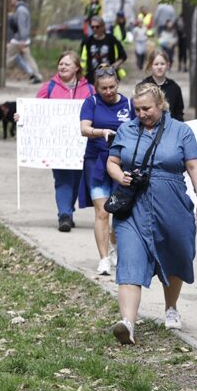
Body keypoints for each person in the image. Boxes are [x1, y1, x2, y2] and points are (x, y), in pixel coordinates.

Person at [106, 82, 197, 343]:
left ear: (161, 105)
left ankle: (171, 307)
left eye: (147, 109)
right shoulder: (126, 130)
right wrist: (120, 176)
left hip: (172, 204)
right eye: (137, 109)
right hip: (133, 206)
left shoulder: (181, 131)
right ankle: (127, 323)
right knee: (130, 259)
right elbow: (112, 161)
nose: (141, 114)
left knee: (176, 254)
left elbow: (194, 166)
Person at [79, 66, 134, 275]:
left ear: (117, 84)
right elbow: (84, 129)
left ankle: (114, 247)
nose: (108, 91)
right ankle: (103, 258)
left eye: (112, 87)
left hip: (122, 164)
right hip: (96, 162)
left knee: (118, 210)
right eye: (104, 88)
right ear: (96, 88)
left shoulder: (129, 104)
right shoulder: (91, 103)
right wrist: (101, 132)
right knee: (102, 211)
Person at [34, 51, 95, 231]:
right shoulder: (48, 87)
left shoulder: (89, 89)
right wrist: (22, 116)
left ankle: (68, 209)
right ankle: (64, 215)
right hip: (57, 143)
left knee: (77, 180)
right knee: (62, 179)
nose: (63, 66)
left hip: (82, 144)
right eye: (61, 63)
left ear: (77, 67)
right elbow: (35, 110)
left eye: (67, 64)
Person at [80, 15, 127, 84]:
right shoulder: (87, 41)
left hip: (109, 76)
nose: (94, 29)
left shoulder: (111, 39)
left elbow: (123, 56)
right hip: (92, 77)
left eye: (97, 27)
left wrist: (115, 65)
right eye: (92, 27)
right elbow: (82, 58)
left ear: (103, 26)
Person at [138, 50, 184, 121]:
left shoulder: (175, 88)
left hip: (170, 126)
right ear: (150, 66)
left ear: (168, 65)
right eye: (156, 64)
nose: (159, 67)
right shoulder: (142, 87)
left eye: (162, 64)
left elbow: (179, 114)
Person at [7, 0, 43, 84]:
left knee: (8, 56)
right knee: (27, 58)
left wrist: (22, 40)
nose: (10, 1)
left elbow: (22, 26)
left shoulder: (20, 11)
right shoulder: (21, 9)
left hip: (19, 40)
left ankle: (0, 74)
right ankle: (36, 75)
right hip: (22, 39)